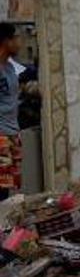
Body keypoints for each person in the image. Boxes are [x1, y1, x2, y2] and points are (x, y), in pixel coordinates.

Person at [0, 24, 26, 199]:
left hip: (11, 133)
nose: (20, 42)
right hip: (0, 135)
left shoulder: (10, 67)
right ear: (6, 41)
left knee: (7, 186)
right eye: (17, 38)